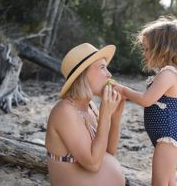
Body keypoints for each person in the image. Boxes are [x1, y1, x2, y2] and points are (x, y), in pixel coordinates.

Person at [114, 16, 177, 186]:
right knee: (168, 182)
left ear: (162, 49)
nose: (144, 53)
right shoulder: (165, 73)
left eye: (147, 49)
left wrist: (124, 90)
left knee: (158, 183)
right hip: (165, 139)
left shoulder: (168, 74)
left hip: (168, 139)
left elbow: (146, 100)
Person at [45, 43, 125, 186]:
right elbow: (93, 164)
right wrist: (105, 116)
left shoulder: (90, 107)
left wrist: (115, 116)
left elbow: (108, 154)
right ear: (83, 74)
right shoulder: (65, 111)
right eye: (102, 68)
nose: (109, 74)